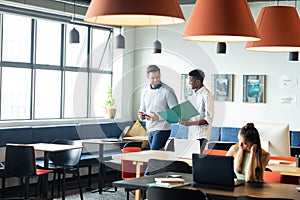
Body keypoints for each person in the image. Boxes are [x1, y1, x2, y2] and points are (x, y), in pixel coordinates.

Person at [138, 65, 178, 150]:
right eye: (153, 78)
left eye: (158, 77)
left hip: (162, 128)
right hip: (149, 128)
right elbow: (142, 109)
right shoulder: (145, 91)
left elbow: (176, 113)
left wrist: (158, 117)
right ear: (147, 77)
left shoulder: (167, 91)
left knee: (153, 155)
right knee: (155, 157)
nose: (156, 80)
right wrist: (141, 115)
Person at [179, 69, 214, 153]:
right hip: (192, 134)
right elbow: (195, 114)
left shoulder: (206, 95)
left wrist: (189, 123)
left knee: (197, 162)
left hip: (201, 135)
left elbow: (208, 119)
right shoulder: (194, 95)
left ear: (198, 81)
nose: (189, 83)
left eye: (191, 81)